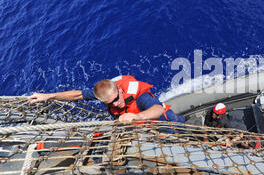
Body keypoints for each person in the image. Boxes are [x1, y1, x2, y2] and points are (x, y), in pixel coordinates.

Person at [27, 75, 185, 123]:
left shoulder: (139, 97)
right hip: (143, 127)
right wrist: (47, 96)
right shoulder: (105, 94)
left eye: (117, 99)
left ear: (120, 90)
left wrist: (138, 116)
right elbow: (78, 95)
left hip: (166, 122)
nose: (116, 104)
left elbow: (158, 109)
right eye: (110, 103)